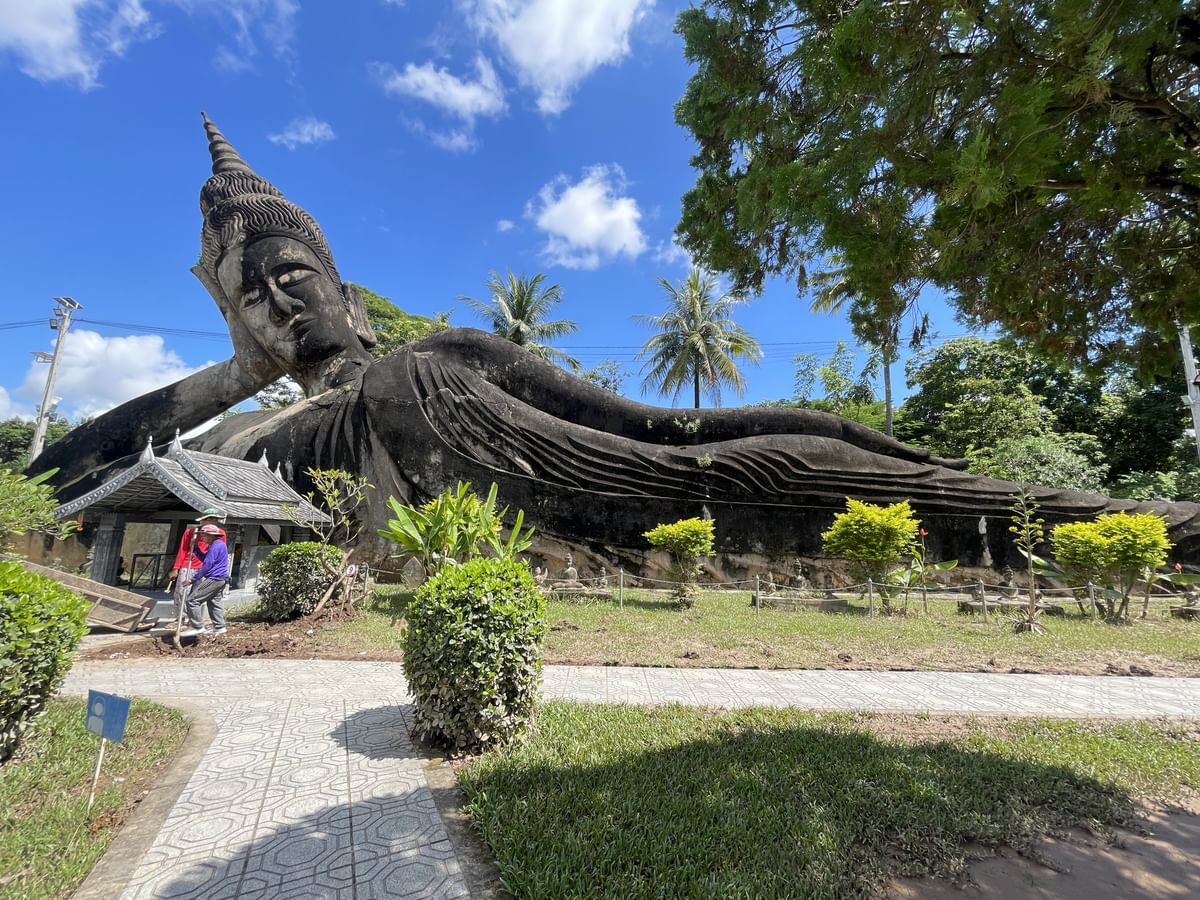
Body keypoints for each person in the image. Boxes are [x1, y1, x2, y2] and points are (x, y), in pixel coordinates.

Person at [33, 115, 1200, 568]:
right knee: (698, 470)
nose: (281, 313)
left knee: (704, 454)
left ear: (343, 289)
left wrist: (835, 424)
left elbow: (663, 428)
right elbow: (50, 489)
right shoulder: (244, 424)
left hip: (423, 389)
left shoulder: (422, 356)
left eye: (293, 283)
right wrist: (239, 370)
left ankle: (1038, 507)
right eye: (253, 301)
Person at [180, 524, 229, 637]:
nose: (202, 537)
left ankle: (197, 626)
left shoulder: (216, 546)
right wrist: (196, 548)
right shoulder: (216, 545)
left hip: (214, 578)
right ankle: (219, 627)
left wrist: (192, 580)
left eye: (203, 535)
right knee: (214, 603)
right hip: (220, 579)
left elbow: (207, 565)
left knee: (192, 600)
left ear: (211, 535)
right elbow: (205, 559)